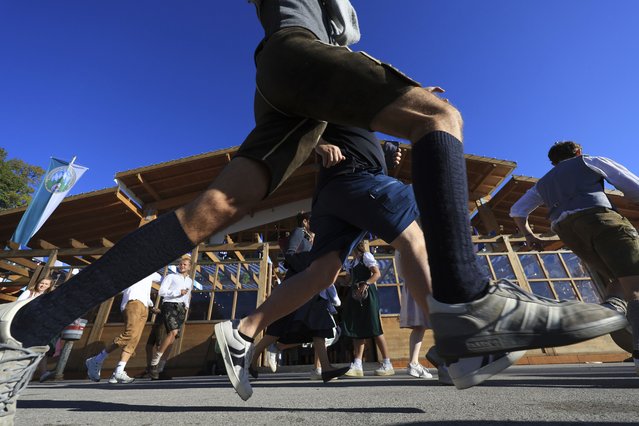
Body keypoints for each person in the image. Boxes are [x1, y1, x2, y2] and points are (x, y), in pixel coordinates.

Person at [0, 0, 626, 420]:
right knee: (440, 120)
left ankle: (24, 332)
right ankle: (468, 306)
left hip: (289, 81)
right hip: (294, 56)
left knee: (218, 207)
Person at [510, 141, 639, 375]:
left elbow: (517, 210)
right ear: (578, 152)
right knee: (636, 285)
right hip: (599, 219)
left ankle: (611, 314)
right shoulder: (589, 161)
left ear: (553, 162)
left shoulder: (544, 183)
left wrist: (529, 236)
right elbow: (632, 185)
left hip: (568, 230)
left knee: (619, 281)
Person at [84, 272, 161, 384]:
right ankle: (97, 360)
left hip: (145, 306)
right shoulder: (132, 267)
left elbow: (164, 280)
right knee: (130, 334)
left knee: (133, 339)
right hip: (133, 301)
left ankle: (119, 371)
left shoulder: (152, 273)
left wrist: (151, 305)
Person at [341, 242, 395, 377]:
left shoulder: (366, 256)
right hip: (355, 296)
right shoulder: (351, 262)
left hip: (368, 295)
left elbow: (377, 273)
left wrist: (366, 283)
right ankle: (358, 364)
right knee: (357, 329)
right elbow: (347, 281)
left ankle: (387, 363)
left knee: (375, 327)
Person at [148, 257, 193, 379]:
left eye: (184, 264)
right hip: (169, 305)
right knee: (172, 332)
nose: (182, 266)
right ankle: (154, 364)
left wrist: (187, 307)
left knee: (173, 337)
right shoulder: (171, 277)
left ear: (189, 267)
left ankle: (160, 369)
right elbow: (161, 292)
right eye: (180, 264)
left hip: (181, 309)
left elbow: (188, 295)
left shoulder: (190, 281)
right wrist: (178, 292)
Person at [395, 250, 433, 380]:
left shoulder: (399, 247)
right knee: (436, 321)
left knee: (420, 326)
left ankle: (414, 362)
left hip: (412, 283)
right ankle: (447, 360)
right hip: (421, 283)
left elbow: (401, 272)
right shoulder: (413, 243)